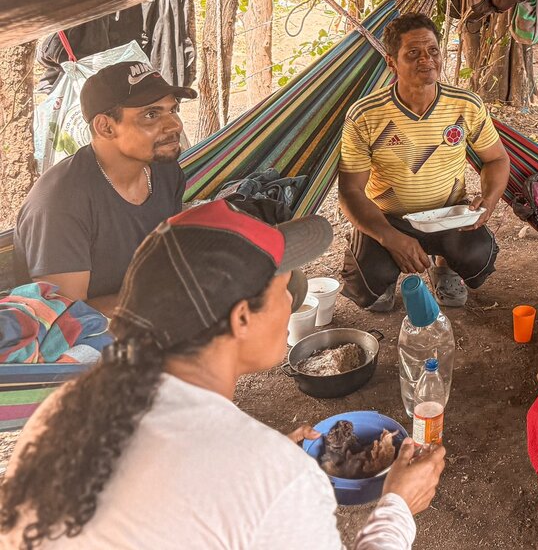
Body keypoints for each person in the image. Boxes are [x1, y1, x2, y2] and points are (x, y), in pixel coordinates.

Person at [0, 200, 446, 549]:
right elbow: (232, 482)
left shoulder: (64, 408)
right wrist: (397, 507)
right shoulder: (271, 478)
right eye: (281, 290)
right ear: (241, 320)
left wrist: (261, 458)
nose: (291, 302)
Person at [337, 13, 511, 310]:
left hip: (449, 215)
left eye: (432, 50)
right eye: (413, 53)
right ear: (392, 62)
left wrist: (490, 199)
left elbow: (496, 159)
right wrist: (390, 237)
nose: (426, 60)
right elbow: (351, 191)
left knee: (478, 255)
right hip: (389, 219)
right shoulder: (366, 114)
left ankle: (445, 265)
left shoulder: (465, 105)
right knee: (370, 288)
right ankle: (384, 268)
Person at [13, 61, 196, 315]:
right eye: (151, 115)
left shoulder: (165, 171)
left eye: (173, 110)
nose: (174, 125)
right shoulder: (60, 203)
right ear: (105, 127)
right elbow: (66, 316)